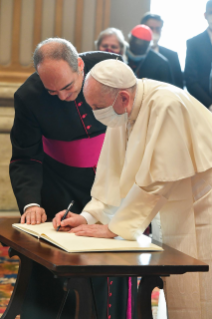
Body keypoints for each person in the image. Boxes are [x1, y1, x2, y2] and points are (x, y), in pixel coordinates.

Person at [54, 59, 212, 318]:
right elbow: (113, 174)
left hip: (202, 204)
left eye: (97, 107)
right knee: (177, 288)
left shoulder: (166, 104)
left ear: (123, 97)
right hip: (173, 205)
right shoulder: (122, 109)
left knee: (201, 287)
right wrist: (89, 216)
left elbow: (158, 179)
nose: (96, 113)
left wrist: (114, 228)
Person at [9, 38, 137, 319]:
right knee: (55, 266)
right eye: (52, 91)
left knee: (109, 264)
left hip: (114, 181)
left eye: (67, 87)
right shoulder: (28, 96)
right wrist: (30, 203)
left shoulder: (111, 69)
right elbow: (25, 157)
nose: (63, 96)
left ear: (79, 65)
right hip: (60, 187)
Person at [141, 13, 184, 89]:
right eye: (150, 28)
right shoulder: (134, 55)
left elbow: (179, 87)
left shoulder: (172, 56)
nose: (154, 32)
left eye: (158, 29)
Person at [185, 0, 212, 109]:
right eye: (211, 12)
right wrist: (209, 105)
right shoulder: (194, 43)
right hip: (203, 106)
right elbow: (191, 80)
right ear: (205, 15)